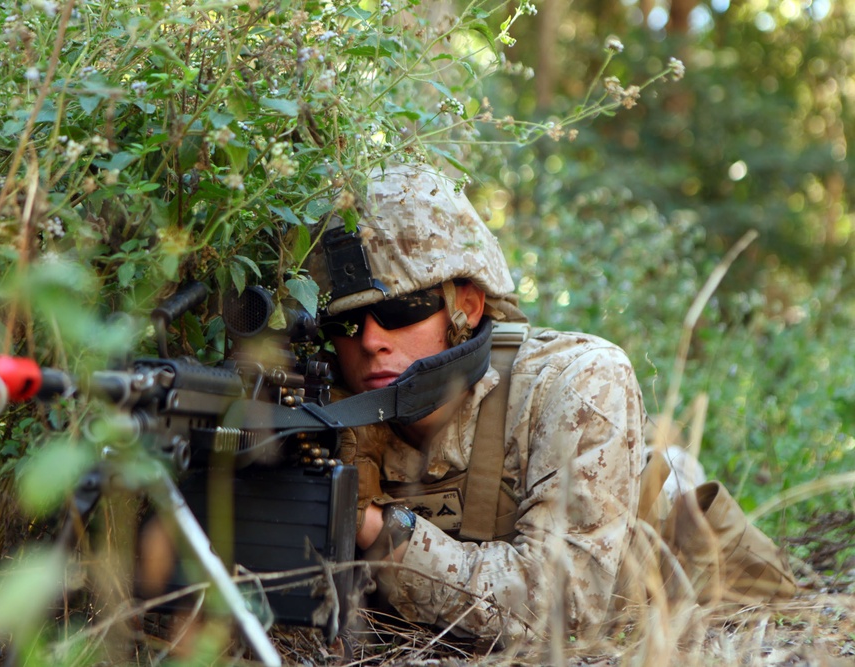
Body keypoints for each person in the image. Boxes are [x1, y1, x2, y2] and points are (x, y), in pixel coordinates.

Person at [307, 162, 796, 645]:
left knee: (675, 489)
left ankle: (671, 465)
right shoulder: (326, 409)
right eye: (345, 323)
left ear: (467, 306)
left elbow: (565, 607)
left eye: (399, 309)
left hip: (676, 568)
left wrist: (380, 530)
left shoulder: (578, 380)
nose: (370, 340)